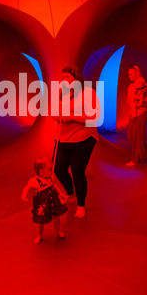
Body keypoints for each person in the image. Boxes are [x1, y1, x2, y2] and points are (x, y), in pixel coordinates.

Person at [53, 66, 101, 219]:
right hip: (63, 137)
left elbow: (94, 117)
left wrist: (72, 117)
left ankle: (81, 205)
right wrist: (56, 116)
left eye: (67, 77)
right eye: (63, 77)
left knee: (77, 172)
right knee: (58, 169)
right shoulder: (62, 92)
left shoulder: (88, 93)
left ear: (77, 78)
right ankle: (70, 193)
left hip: (83, 138)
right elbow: (55, 111)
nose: (63, 80)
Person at [22, 157, 68, 244]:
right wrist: (23, 196)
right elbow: (27, 188)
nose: (52, 172)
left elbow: (54, 186)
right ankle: (40, 235)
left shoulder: (50, 178)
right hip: (42, 205)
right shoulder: (34, 181)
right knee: (40, 221)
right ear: (41, 172)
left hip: (53, 202)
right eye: (50, 169)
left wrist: (60, 193)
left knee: (56, 217)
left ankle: (58, 231)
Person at [126, 66, 147, 166]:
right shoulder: (130, 87)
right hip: (133, 113)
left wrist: (141, 100)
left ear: (137, 74)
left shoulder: (144, 85)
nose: (129, 76)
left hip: (142, 112)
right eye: (129, 74)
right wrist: (132, 103)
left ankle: (136, 159)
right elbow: (128, 100)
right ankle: (145, 149)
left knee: (138, 136)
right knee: (130, 135)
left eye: (131, 74)